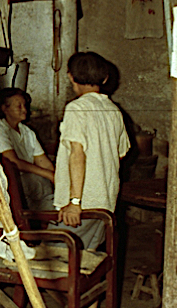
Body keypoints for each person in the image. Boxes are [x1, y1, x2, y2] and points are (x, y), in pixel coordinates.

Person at [54, 52, 130, 251]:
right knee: (85, 258)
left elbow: (77, 154)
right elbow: (121, 153)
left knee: (56, 258)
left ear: (70, 76)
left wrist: (74, 201)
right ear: (104, 79)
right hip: (105, 202)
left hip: (82, 205)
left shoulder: (76, 109)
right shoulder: (114, 110)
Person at [0, 88, 55, 211]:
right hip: (9, 189)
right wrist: (48, 174)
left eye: (25, 105)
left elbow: (43, 162)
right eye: (19, 106)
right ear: (5, 109)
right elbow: (13, 162)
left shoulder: (27, 132)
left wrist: (55, 176)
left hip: (32, 189)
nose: (24, 109)